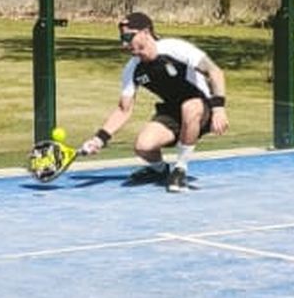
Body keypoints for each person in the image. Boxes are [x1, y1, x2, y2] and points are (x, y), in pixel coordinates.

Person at [78, 12, 229, 193]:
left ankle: (180, 169)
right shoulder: (133, 69)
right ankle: (159, 170)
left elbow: (215, 71)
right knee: (143, 147)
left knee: (189, 107)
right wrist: (100, 138)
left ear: (146, 32)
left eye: (128, 37)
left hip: (201, 106)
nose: (124, 44)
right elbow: (123, 109)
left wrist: (218, 109)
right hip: (172, 112)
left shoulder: (174, 49)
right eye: (122, 38)